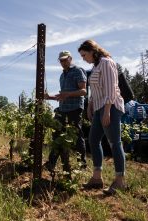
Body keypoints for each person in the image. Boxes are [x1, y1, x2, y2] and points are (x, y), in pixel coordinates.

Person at [78, 40, 126, 195]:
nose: (83, 58)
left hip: (110, 106)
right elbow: (95, 90)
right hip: (98, 108)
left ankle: (120, 181)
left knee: (114, 143)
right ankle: (97, 178)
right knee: (93, 140)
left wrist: (107, 111)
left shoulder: (106, 62)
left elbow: (111, 88)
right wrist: (90, 105)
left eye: (84, 55)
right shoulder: (96, 66)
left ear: (92, 51)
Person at [44, 50, 87, 177]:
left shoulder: (78, 70)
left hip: (75, 108)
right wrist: (49, 97)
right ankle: (51, 163)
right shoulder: (62, 76)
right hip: (62, 108)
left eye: (65, 59)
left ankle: (82, 164)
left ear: (70, 58)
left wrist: (68, 94)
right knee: (57, 135)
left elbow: (83, 91)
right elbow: (62, 96)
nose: (63, 62)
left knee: (77, 136)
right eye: (61, 60)